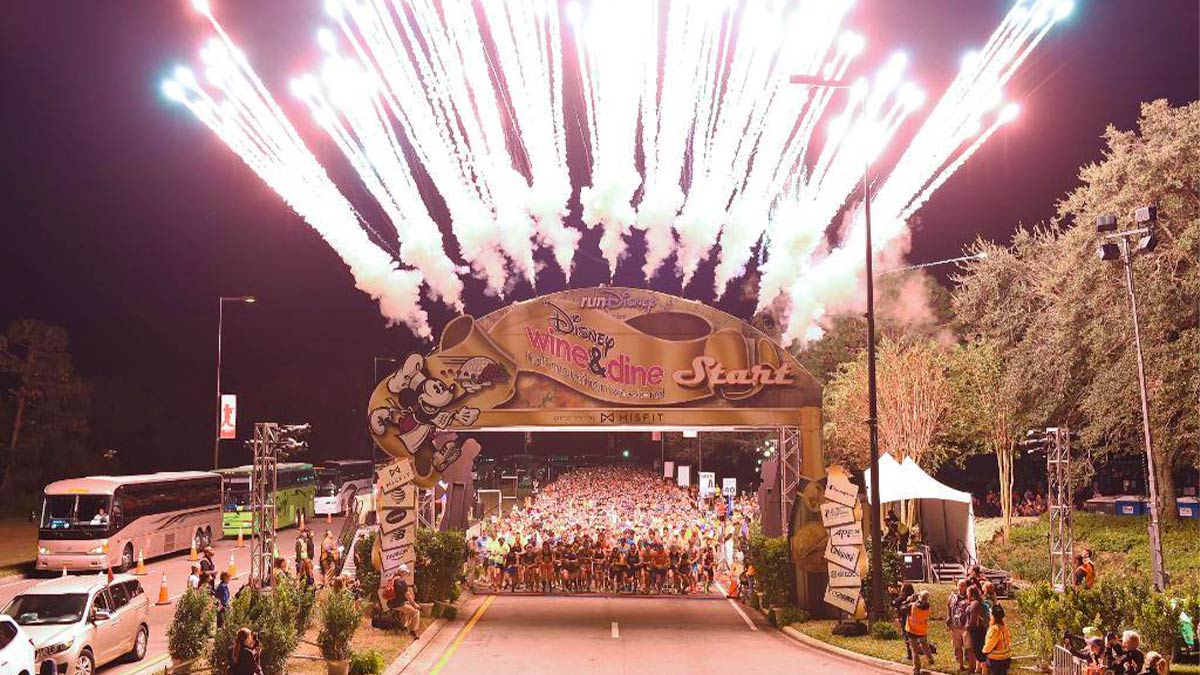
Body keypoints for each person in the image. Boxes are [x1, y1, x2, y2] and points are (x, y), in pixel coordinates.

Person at [905, 590, 935, 675]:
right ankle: (930, 659)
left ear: (919, 597)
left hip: (912, 630)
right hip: (922, 630)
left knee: (914, 651)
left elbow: (902, 607)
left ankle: (916, 670)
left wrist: (909, 600)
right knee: (925, 645)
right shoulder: (927, 606)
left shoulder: (912, 605)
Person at [387, 564, 421, 638]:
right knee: (416, 612)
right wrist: (415, 605)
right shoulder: (402, 582)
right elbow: (408, 596)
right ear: (402, 572)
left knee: (408, 609)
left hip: (390, 603)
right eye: (405, 573)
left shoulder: (393, 579)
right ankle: (413, 631)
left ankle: (404, 626)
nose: (406, 574)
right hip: (398, 605)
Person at [947, 579, 973, 672]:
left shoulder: (970, 597)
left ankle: (971, 667)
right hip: (955, 626)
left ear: (966, 587)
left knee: (969, 647)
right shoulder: (953, 597)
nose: (960, 587)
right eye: (959, 585)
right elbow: (949, 608)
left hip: (966, 627)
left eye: (962, 585)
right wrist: (949, 619)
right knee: (957, 647)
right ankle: (961, 666)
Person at [981, 604, 1012, 675]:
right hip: (1006, 658)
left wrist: (984, 651)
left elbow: (990, 644)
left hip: (996, 660)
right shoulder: (1004, 628)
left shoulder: (994, 629)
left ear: (993, 616)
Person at [966, 585, 989, 674]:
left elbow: (972, 618)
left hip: (976, 630)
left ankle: (984, 671)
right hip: (981, 628)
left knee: (978, 650)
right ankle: (978, 669)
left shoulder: (974, 603)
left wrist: (968, 628)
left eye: (968, 592)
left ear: (971, 593)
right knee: (979, 649)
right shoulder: (979, 602)